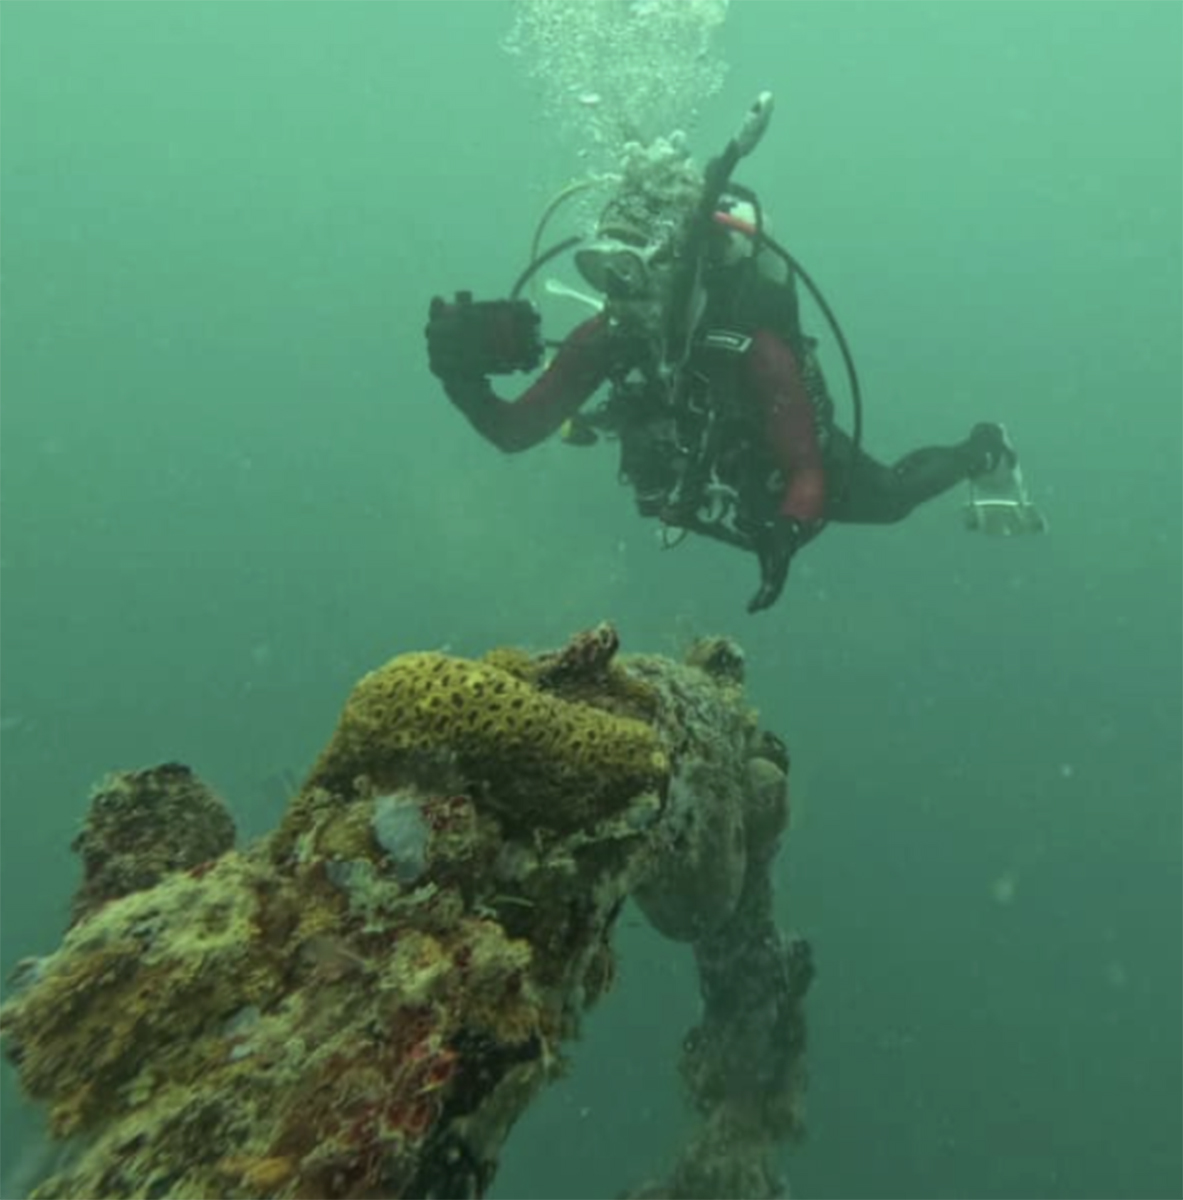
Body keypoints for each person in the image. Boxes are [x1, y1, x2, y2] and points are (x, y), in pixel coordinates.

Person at [425, 94, 1043, 613]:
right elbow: (514, 431)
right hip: (692, 451)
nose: (619, 292)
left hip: (773, 440)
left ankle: (984, 448)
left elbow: (807, 474)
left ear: (674, 267)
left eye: (633, 272)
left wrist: (786, 536)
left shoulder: (757, 352)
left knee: (888, 500)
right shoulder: (607, 335)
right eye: (603, 273)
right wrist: (460, 379)